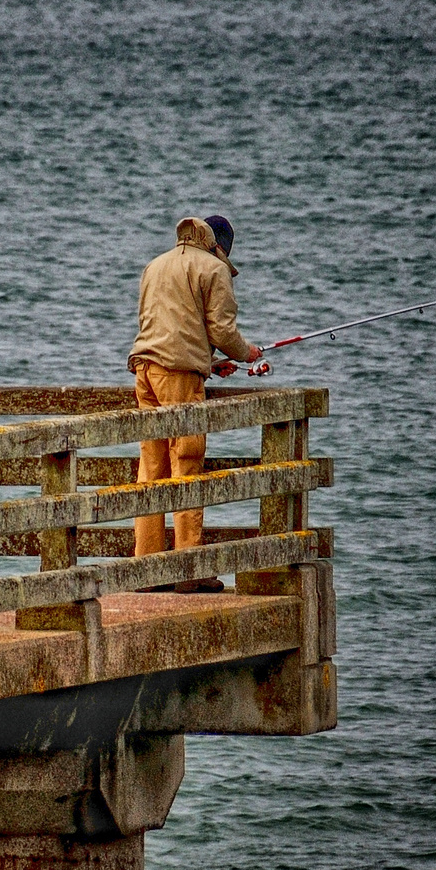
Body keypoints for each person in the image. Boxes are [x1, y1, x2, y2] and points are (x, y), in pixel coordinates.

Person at [126, 215, 263, 593]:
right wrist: (246, 352)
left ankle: (146, 569)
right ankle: (189, 571)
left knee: (151, 467)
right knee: (187, 462)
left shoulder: (156, 264)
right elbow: (221, 329)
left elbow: (164, 323)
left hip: (144, 370)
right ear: (218, 247)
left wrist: (207, 360)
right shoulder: (213, 269)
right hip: (179, 376)